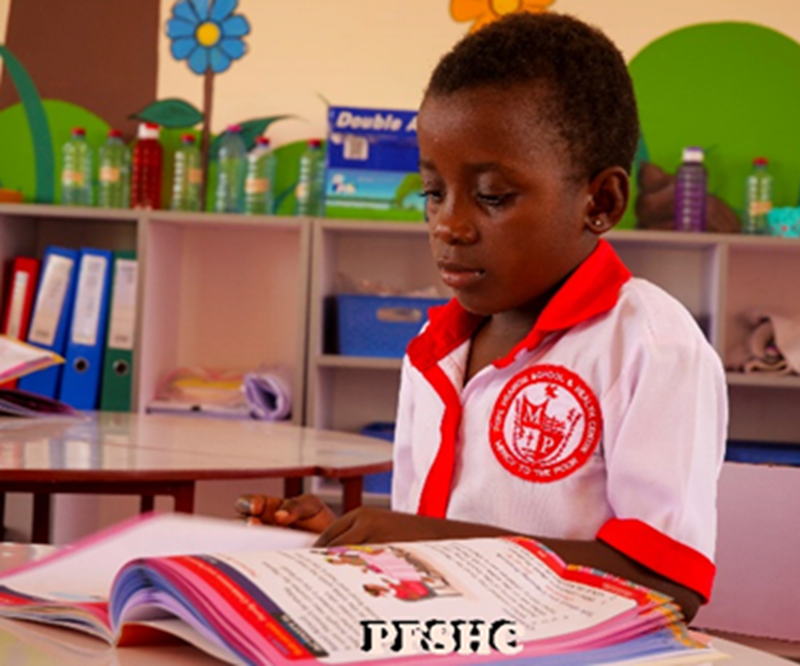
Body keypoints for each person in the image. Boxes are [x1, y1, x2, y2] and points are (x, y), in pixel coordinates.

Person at [236, 11, 727, 621]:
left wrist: (423, 541)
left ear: (599, 202)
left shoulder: (650, 346)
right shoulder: (433, 347)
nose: (448, 225)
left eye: (492, 195)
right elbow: (430, 542)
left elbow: (667, 584)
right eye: (433, 192)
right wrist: (354, 538)